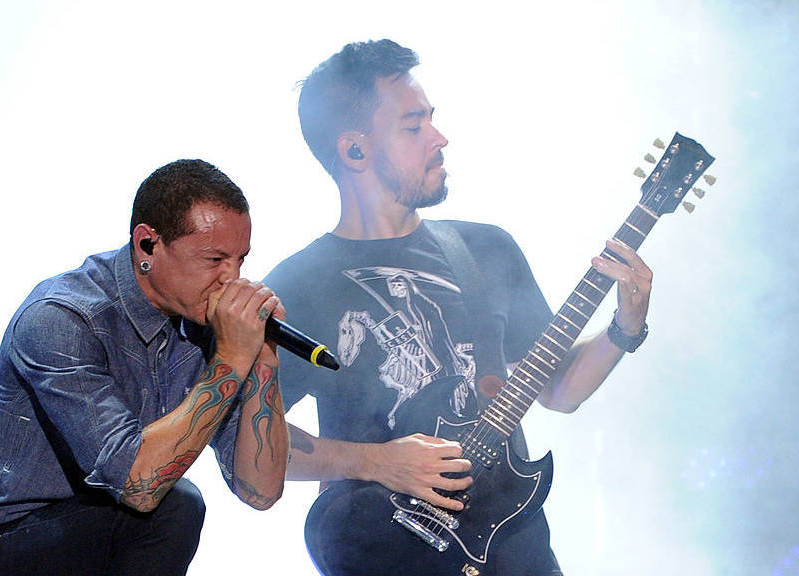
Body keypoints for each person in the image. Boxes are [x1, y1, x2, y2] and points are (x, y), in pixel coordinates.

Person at [263, 40, 652, 576]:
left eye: (432, 119)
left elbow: (559, 390)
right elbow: (252, 444)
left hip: (517, 548)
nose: (439, 138)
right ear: (354, 151)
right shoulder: (298, 285)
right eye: (413, 126)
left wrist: (624, 327)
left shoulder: (485, 248)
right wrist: (379, 462)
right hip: (392, 552)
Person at [0, 159, 288, 575]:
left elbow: (260, 490)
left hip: (90, 536)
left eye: (240, 259)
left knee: (170, 508)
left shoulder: (207, 328)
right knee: (174, 506)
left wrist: (264, 358)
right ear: (147, 245)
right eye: (214, 259)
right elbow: (139, 487)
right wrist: (232, 359)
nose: (232, 278)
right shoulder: (62, 318)